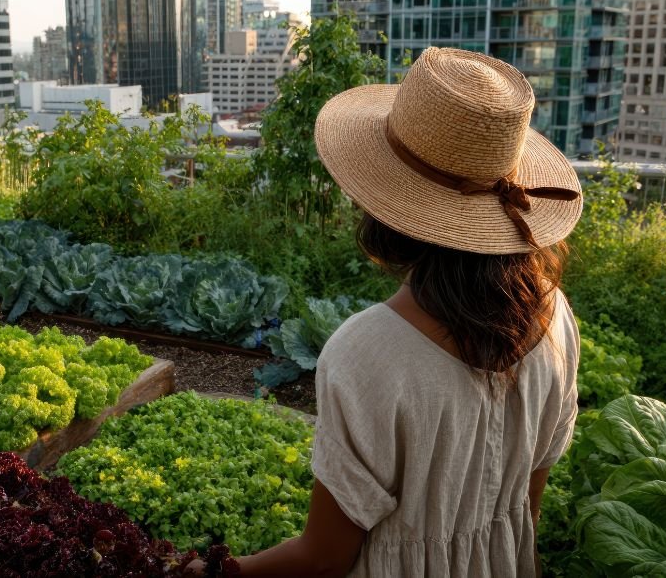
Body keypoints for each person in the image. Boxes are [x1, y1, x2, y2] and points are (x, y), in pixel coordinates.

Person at [234, 48, 584, 577]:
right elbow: (526, 511)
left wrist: (216, 570)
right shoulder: (555, 316)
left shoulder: (367, 355)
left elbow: (324, 558)